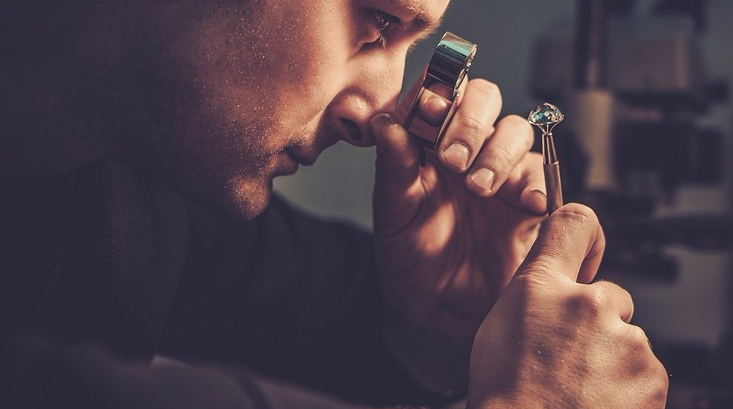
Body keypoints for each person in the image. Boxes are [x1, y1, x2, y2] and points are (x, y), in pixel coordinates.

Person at [0, 0, 668, 408]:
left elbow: (307, 290)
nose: (383, 108)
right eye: (378, 21)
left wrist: (435, 326)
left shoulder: (139, 190)